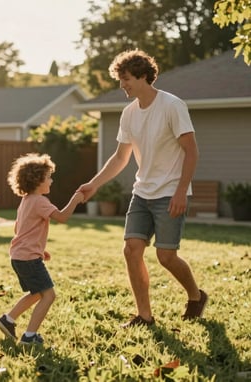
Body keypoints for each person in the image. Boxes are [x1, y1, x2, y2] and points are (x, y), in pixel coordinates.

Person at [78, 49, 207, 327]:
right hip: (142, 192)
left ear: (143, 76)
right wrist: (94, 184)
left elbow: (191, 151)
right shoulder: (129, 113)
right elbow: (120, 157)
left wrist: (181, 190)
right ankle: (144, 316)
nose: (121, 85)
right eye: (120, 79)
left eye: (125, 79)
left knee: (166, 256)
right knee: (131, 250)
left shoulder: (172, 106)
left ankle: (196, 296)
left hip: (170, 191)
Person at [0, 153, 84, 344]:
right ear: (37, 180)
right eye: (49, 177)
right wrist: (75, 200)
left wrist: (38, 249)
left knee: (36, 293)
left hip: (19, 256)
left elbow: (19, 228)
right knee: (49, 295)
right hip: (28, 258)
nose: (51, 181)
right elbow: (61, 217)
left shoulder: (26, 201)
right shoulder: (41, 201)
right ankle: (30, 336)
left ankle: (7, 320)